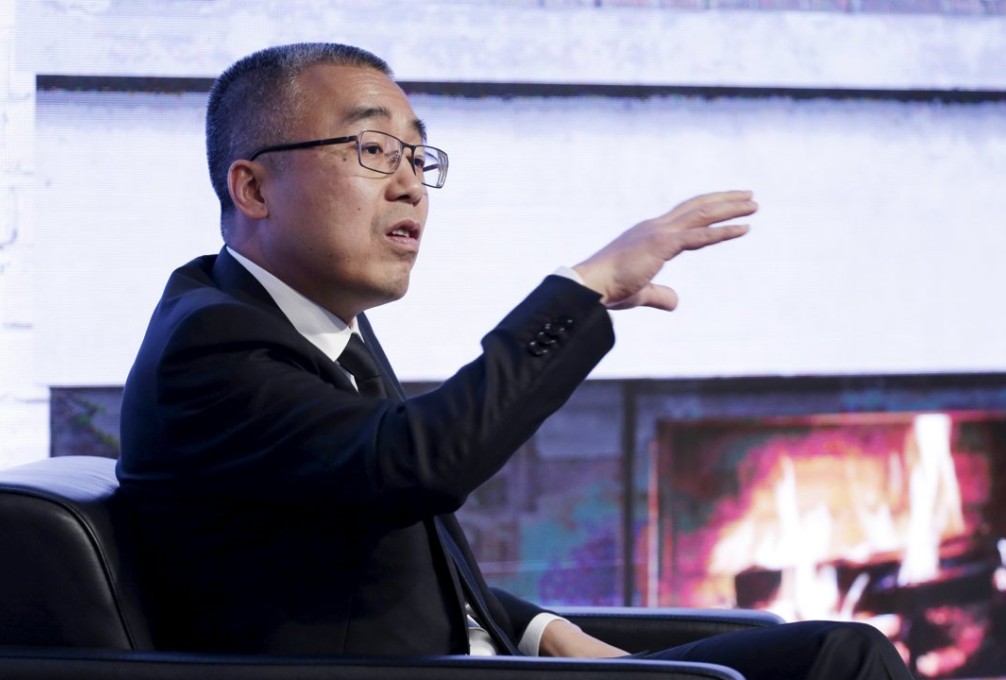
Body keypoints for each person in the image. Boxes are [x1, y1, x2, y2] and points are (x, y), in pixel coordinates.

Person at [116, 42, 912, 680]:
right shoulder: (211, 345)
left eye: (419, 158)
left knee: (835, 653)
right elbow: (419, 462)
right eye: (372, 149)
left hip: (489, 660)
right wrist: (583, 288)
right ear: (252, 188)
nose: (410, 187)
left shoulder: (312, 321)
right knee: (844, 662)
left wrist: (542, 629)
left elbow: (381, 549)